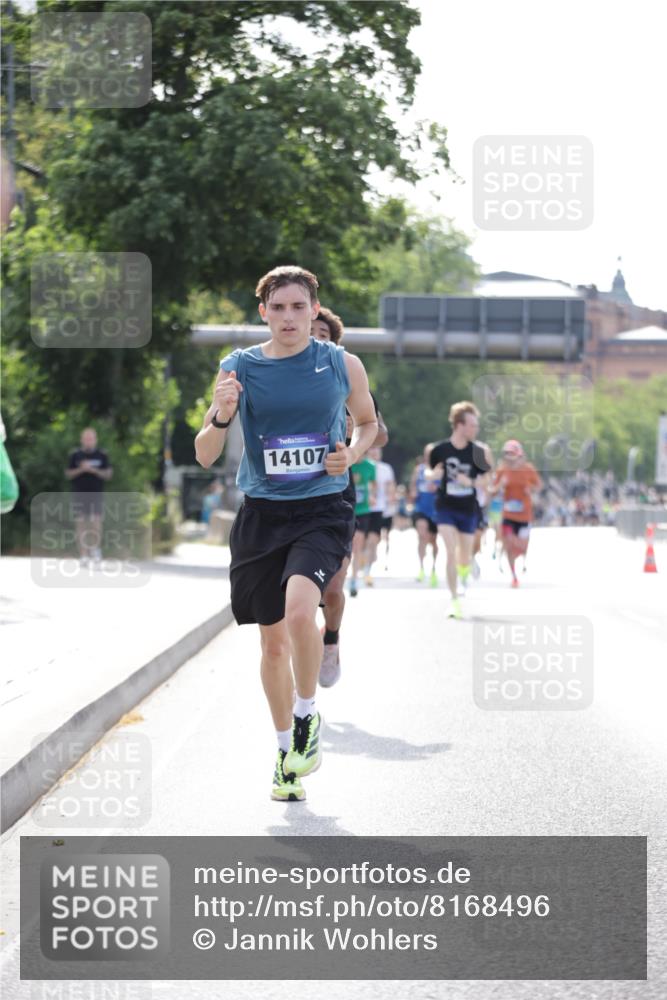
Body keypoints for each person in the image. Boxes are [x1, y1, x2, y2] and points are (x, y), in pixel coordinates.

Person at [194, 266, 377, 802]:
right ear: (263, 313)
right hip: (262, 515)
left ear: (315, 310)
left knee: (302, 611)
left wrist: (353, 452)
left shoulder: (342, 363)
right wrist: (223, 416)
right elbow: (205, 453)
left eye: (300, 307)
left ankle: (305, 718)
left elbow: (367, 423)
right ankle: (284, 757)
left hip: (321, 508)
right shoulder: (238, 368)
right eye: (279, 308)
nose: (290, 317)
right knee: (271, 644)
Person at [311, 306, 388, 687]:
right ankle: (302, 673)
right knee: (295, 599)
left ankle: (330, 639)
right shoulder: (280, 378)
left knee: (333, 590)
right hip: (289, 495)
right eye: (310, 331)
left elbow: (378, 431)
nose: (314, 337)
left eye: (322, 333)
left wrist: (352, 425)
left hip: (338, 494)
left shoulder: (346, 379)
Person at [428, 402, 492, 619]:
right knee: (450, 549)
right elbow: (429, 474)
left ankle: (465, 571)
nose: (476, 429)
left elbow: (487, 480)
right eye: (473, 424)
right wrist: (433, 476)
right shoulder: (439, 450)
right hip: (445, 506)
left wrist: (470, 481)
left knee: (464, 554)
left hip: (468, 509)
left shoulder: (479, 452)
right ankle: (454, 600)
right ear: (459, 425)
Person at [489, 439, 542, 587]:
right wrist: (500, 485)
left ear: (518, 455)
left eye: (511, 454)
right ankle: (514, 576)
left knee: (522, 547)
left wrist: (529, 488)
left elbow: (539, 486)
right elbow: (491, 491)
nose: (508, 457)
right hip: (508, 514)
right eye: (506, 454)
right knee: (508, 544)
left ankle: (520, 556)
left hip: (525, 515)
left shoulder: (528, 469)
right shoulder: (502, 470)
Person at [65, 428, 113, 566]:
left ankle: (95, 550)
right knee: (81, 523)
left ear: (95, 440)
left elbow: (108, 474)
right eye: (86, 438)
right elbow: (68, 474)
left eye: (91, 438)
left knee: (95, 522)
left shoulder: (102, 455)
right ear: (81, 440)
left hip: (96, 494)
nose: (88, 441)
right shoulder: (75, 455)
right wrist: (81, 469)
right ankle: (83, 555)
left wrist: (93, 470)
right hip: (79, 494)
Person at [409, 444, 440, 586]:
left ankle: (433, 568)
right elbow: (413, 487)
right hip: (421, 507)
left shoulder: (440, 470)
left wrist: (438, 488)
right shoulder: (419, 470)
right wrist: (413, 493)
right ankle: (421, 568)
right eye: (428, 453)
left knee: (433, 541)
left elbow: (447, 487)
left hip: (436, 509)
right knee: (422, 536)